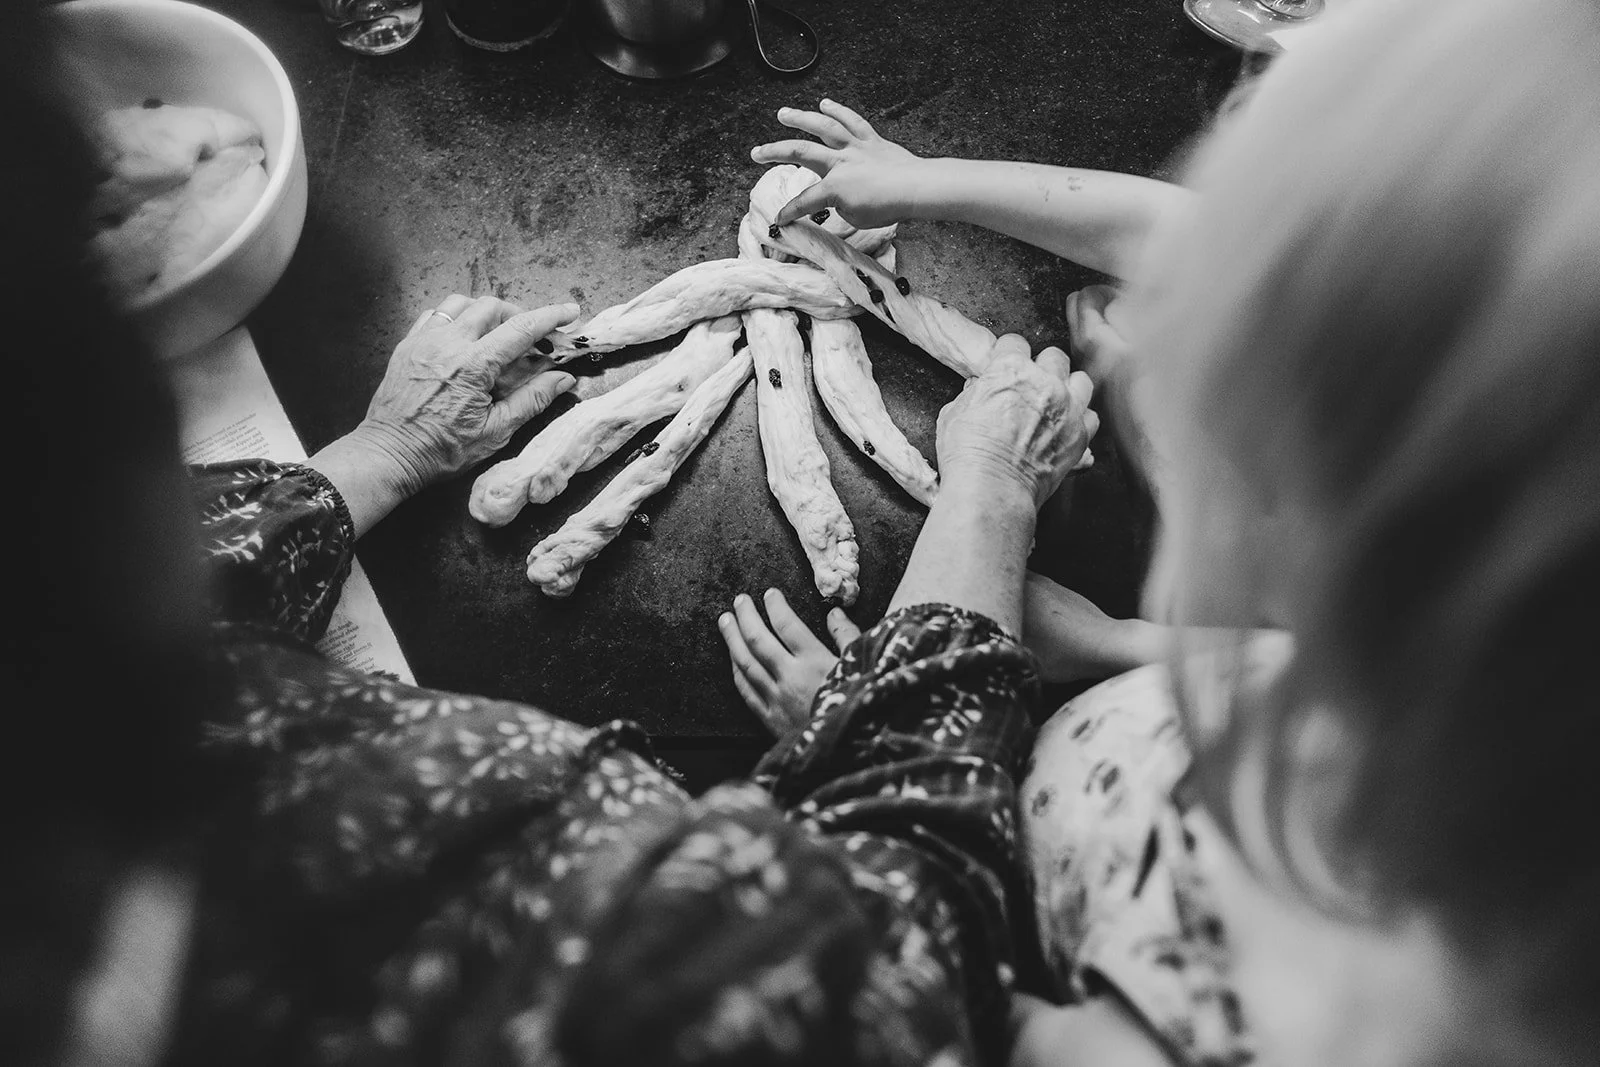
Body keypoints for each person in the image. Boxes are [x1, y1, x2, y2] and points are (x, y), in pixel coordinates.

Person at [4, 12, 1103, 1067]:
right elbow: (904, 962)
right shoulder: (470, 919)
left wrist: (391, 449)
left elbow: (180, 585)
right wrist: (991, 492)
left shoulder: (66, 689)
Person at [731, 3, 1600, 1067]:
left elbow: (945, 1010)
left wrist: (883, 768)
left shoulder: (1346, 1018)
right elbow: (1202, 244)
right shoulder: (1506, 674)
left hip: (1009, 843)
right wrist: (925, 178)